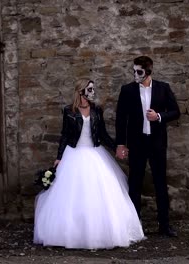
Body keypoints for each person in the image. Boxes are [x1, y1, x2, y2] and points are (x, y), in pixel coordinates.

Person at [33, 78, 145, 249]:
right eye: (90, 89)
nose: (93, 92)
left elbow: (103, 134)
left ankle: (100, 234)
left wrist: (117, 147)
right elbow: (64, 135)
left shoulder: (96, 110)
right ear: (81, 92)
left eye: (93, 89)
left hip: (94, 153)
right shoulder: (69, 111)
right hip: (74, 154)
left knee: (101, 192)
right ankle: (71, 234)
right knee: (70, 195)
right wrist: (59, 156)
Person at [115, 56, 180, 237]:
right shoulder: (127, 90)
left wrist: (159, 116)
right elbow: (121, 118)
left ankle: (164, 225)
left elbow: (176, 112)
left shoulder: (163, 88)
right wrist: (121, 143)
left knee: (160, 183)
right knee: (135, 183)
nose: (135, 74)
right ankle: (135, 226)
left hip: (157, 143)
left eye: (139, 72)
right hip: (137, 143)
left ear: (149, 71)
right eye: (134, 71)